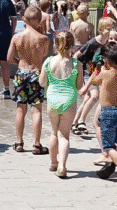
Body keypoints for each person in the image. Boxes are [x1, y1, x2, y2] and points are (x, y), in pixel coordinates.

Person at [81, 41, 117, 187]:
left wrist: (96, 70)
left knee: (108, 146)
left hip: (109, 113)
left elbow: (94, 80)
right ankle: (112, 165)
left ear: (106, 60)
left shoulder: (105, 74)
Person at [39, 31, 83, 178]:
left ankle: (53, 163)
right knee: (64, 135)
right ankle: (63, 166)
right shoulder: (77, 64)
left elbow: (42, 82)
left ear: (55, 45)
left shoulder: (48, 61)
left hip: (52, 100)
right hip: (69, 100)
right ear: (72, 45)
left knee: (53, 132)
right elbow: (78, 85)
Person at [7, 6, 50, 155]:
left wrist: (20, 61)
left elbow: (9, 58)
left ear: (24, 19)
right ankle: (37, 145)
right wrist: (42, 29)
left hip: (21, 73)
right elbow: (44, 55)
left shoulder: (17, 37)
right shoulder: (43, 39)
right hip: (36, 74)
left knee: (20, 109)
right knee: (36, 110)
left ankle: (19, 142)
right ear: (39, 21)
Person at [71, 17, 115, 137]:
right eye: (108, 29)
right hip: (88, 73)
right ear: (101, 29)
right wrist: (76, 71)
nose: (110, 31)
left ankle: (75, 123)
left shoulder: (109, 43)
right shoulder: (92, 43)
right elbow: (76, 55)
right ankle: (81, 122)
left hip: (99, 73)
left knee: (87, 100)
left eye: (112, 29)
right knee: (95, 96)